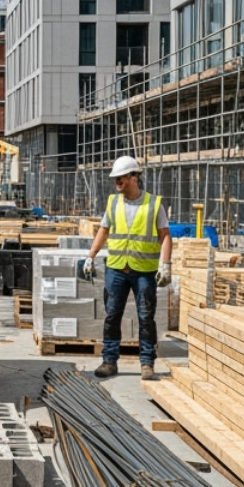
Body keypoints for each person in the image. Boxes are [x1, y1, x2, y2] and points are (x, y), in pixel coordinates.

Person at [81, 156, 171, 381]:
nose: (117, 183)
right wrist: (90, 256)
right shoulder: (113, 202)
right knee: (112, 315)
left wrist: (166, 264)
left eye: (120, 178)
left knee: (146, 317)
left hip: (144, 270)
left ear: (134, 177)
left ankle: (147, 363)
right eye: (115, 179)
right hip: (116, 268)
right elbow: (103, 230)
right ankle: (109, 361)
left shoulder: (153, 203)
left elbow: (165, 236)